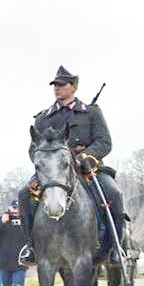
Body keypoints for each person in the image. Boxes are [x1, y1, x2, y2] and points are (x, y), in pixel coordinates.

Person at [21, 66, 127, 264]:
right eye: (55, 85)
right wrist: (44, 162)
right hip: (53, 172)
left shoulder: (91, 112)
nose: (57, 88)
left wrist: (84, 157)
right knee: (23, 195)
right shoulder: (43, 117)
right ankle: (30, 248)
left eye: (61, 85)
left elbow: (104, 142)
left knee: (114, 193)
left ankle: (115, 248)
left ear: (74, 87)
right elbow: (33, 148)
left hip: (87, 168)